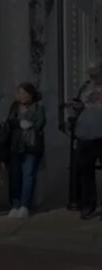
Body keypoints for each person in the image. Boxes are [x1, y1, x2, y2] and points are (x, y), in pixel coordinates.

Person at [5, 82, 45, 219]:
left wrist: (28, 120)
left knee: (28, 174)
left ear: (31, 95)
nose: (21, 96)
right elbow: (9, 121)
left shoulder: (38, 107)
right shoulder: (14, 107)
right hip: (16, 145)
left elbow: (40, 122)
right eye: (19, 93)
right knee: (15, 176)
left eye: (24, 93)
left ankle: (25, 205)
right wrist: (18, 123)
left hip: (31, 145)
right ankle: (15, 204)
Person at [70, 63, 102, 220]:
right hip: (85, 136)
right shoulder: (85, 88)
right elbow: (79, 106)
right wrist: (77, 106)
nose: (92, 77)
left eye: (95, 74)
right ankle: (88, 205)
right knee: (84, 171)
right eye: (91, 74)